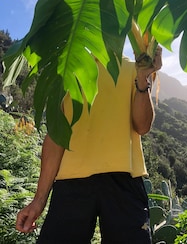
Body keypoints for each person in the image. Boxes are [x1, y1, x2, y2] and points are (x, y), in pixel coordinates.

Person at [16, 47, 162, 243]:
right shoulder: (67, 70)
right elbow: (56, 137)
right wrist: (39, 199)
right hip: (71, 182)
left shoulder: (134, 68)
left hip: (124, 178)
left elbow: (142, 126)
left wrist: (143, 78)